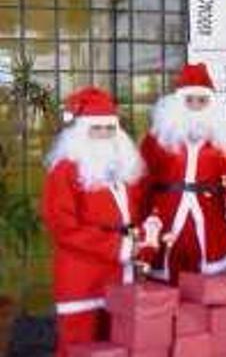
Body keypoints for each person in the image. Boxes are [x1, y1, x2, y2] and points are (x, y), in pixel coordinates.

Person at [42, 87, 160, 356]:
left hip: (122, 272)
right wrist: (120, 246)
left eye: (110, 128)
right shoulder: (64, 170)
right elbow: (63, 227)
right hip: (82, 274)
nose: (105, 135)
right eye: (97, 129)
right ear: (80, 133)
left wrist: (148, 234)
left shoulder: (127, 167)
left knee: (119, 340)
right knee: (80, 343)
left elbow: (141, 211)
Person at [140, 63, 226, 284]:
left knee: (205, 277)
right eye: (189, 100)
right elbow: (143, 177)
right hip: (167, 211)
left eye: (202, 101)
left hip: (208, 210)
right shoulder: (158, 138)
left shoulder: (222, 139)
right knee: (167, 271)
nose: (195, 106)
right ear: (178, 103)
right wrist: (143, 215)